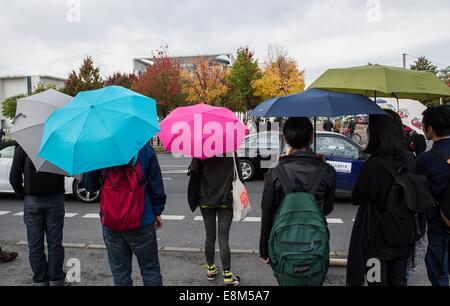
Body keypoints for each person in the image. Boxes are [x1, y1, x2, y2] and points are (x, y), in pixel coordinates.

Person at [259, 118, 336, 278]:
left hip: (283, 241)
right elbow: (327, 209)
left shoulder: (275, 173)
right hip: (315, 242)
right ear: (312, 137)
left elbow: (267, 214)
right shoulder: (327, 171)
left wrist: (264, 249)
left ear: (285, 140)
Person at [82, 143, 166, 286]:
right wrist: (157, 211)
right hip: (142, 219)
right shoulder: (143, 147)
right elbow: (156, 185)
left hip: (111, 220)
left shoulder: (98, 148)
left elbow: (90, 186)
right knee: (150, 269)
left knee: (120, 273)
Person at [347, 114, 415, 286]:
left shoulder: (373, 165)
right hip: (402, 236)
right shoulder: (410, 160)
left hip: (375, 241)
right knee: (399, 281)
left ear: (377, 132)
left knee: (375, 282)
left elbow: (356, 197)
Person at [9, 144, 66, 286]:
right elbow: (67, 170)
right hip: (55, 198)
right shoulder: (59, 144)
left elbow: (14, 178)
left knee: (35, 245)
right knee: (55, 243)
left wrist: (24, 195)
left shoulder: (24, 146)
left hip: (32, 200)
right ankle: (56, 279)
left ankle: (40, 280)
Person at [188, 153, 243, 286]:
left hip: (206, 199)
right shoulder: (231, 151)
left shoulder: (201, 151)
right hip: (225, 200)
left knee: (209, 236)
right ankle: (227, 275)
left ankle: (211, 269)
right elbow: (240, 177)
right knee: (223, 238)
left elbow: (194, 175)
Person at [415, 105, 450, 286]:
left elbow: (416, 195)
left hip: (437, 226)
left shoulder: (425, 159)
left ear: (430, 129)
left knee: (439, 275)